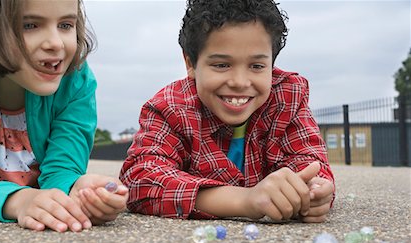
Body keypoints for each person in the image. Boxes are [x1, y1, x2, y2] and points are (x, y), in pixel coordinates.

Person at [120, 0, 335, 223]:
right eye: (222, 65)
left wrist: (312, 191)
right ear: (190, 64)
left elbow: (309, 162)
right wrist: (244, 201)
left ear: (272, 64)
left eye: (257, 66)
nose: (240, 82)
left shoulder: (288, 97)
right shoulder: (170, 108)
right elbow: (141, 179)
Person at [0, 0, 128, 232]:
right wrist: (21, 201)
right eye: (30, 25)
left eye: (66, 25)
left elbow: (62, 170)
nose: (56, 43)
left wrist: (78, 190)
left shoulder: (76, 83)